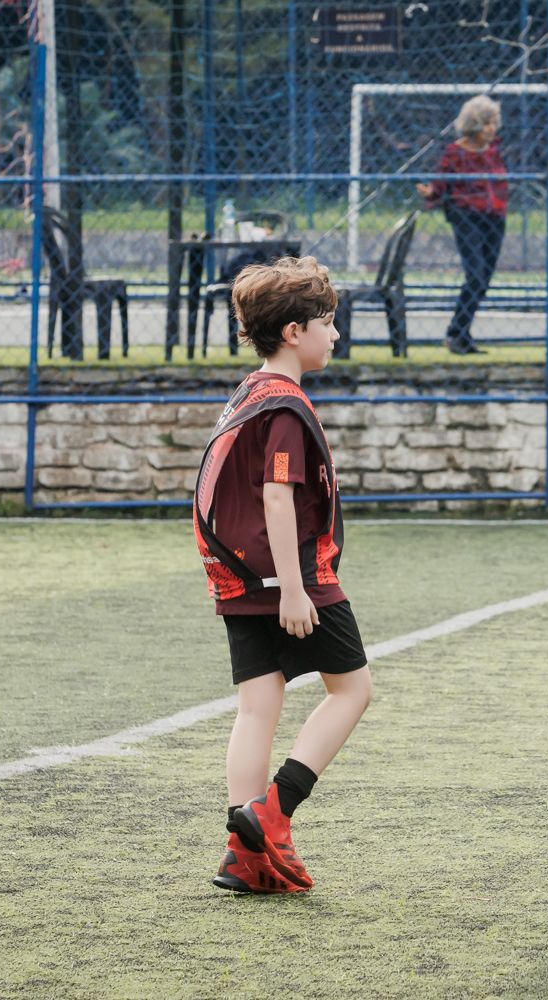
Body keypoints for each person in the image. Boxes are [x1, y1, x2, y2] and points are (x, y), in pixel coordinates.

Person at [191, 255, 373, 895]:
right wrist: (295, 589)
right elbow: (276, 496)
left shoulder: (247, 392)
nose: (335, 334)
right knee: (352, 691)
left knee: (257, 707)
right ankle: (275, 812)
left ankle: (240, 855)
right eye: (327, 322)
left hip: (238, 580)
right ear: (295, 331)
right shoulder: (288, 408)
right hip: (291, 580)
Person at [416, 94, 508, 355]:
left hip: (495, 217)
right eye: (486, 123)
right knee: (475, 275)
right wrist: (430, 193)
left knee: (485, 278)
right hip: (466, 215)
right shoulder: (455, 152)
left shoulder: (494, 151)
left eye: (493, 122)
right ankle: (456, 332)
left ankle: (462, 333)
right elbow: (441, 184)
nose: (491, 128)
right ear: (474, 125)